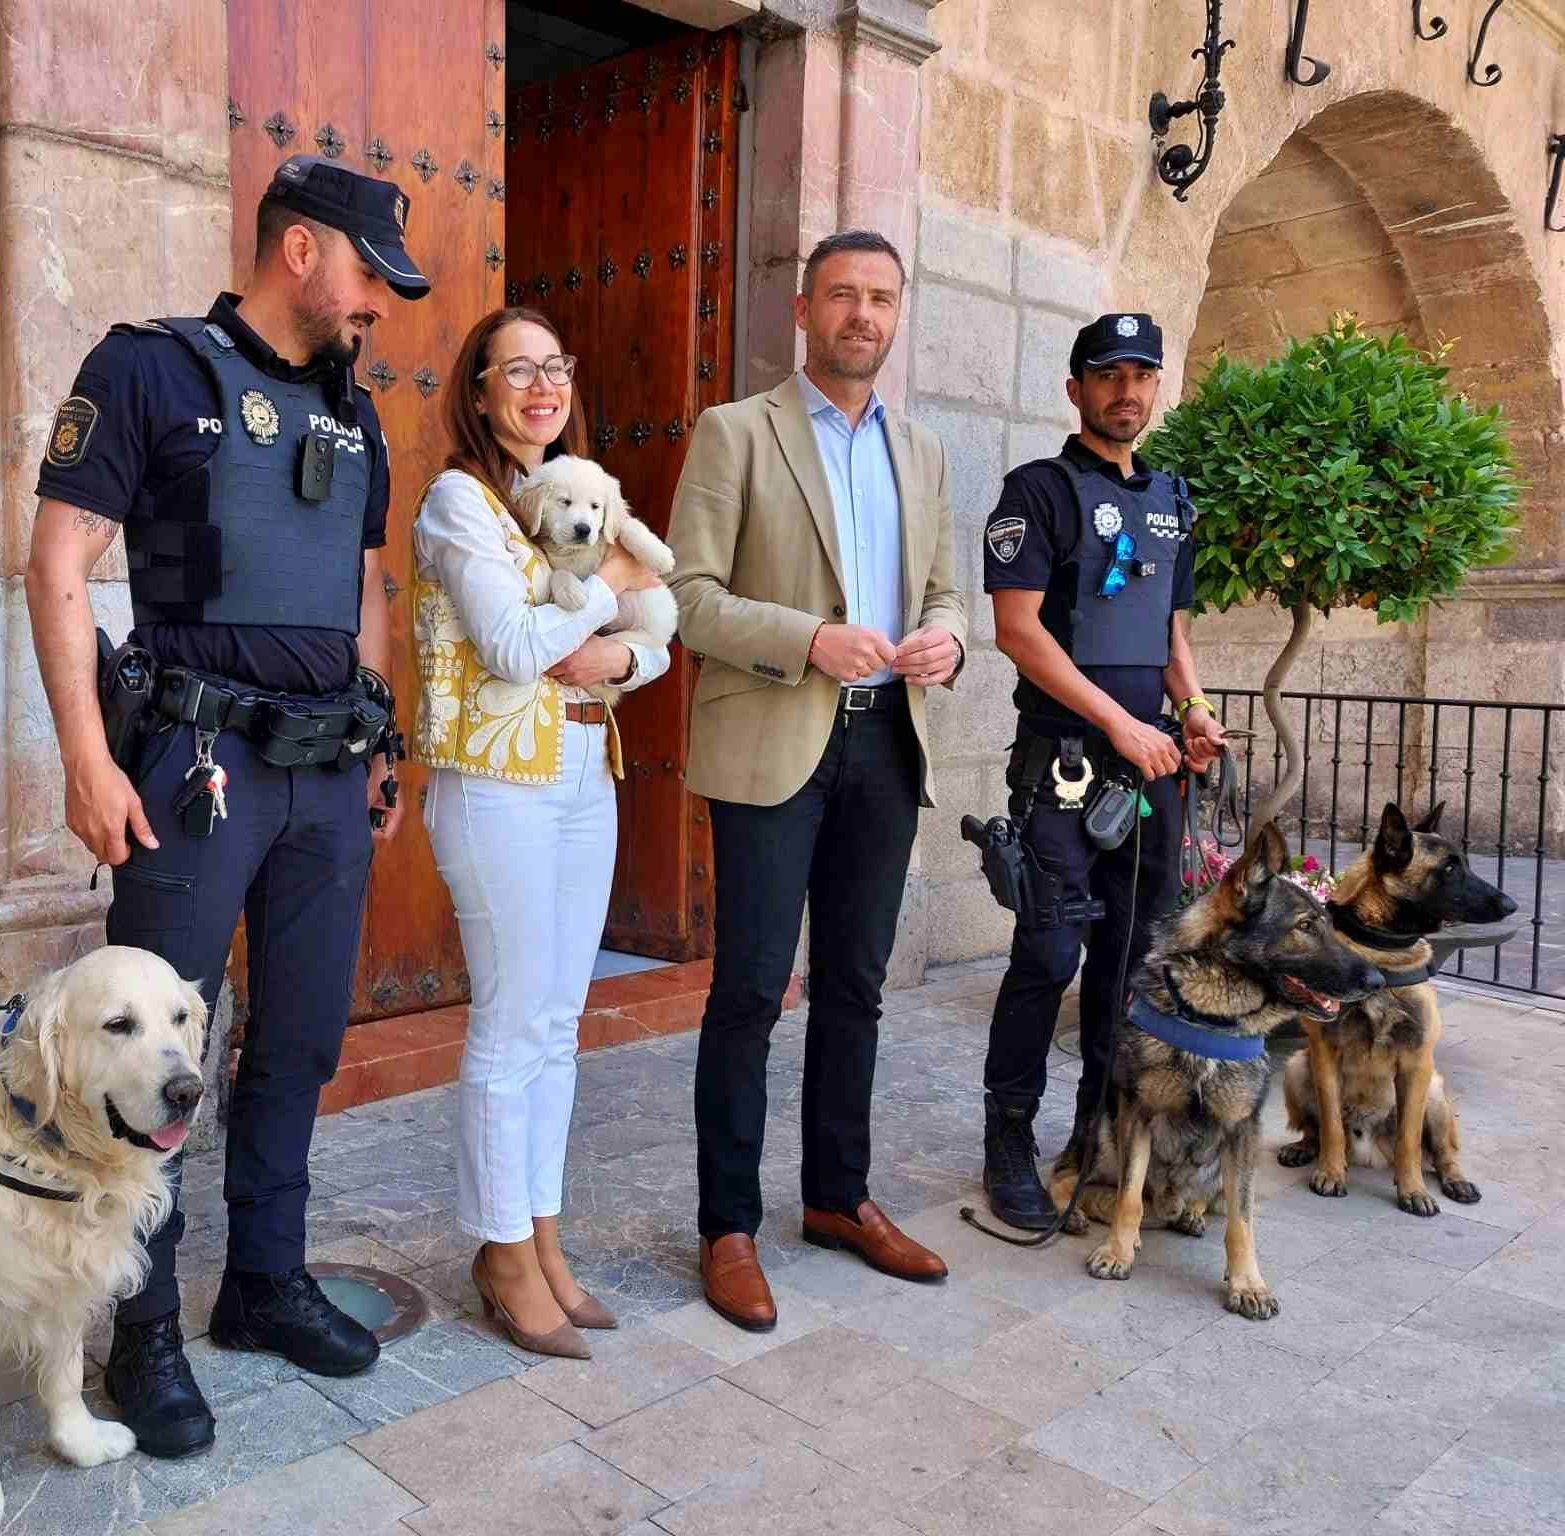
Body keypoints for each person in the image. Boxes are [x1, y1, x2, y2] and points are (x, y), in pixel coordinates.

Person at [25, 154, 425, 1459]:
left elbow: (364, 580)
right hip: (195, 767)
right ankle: (139, 1331)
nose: (379, 304)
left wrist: (376, 729)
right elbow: (55, 559)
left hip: (322, 775)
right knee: (150, 1058)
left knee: (299, 1039)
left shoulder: (350, 414)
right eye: (370, 273)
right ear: (300, 249)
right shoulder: (151, 368)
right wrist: (86, 757)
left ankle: (264, 1281)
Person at [667, 230, 967, 1334]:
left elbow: (945, 592)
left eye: (880, 297)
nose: (861, 315)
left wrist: (944, 641)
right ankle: (728, 1226)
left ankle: (838, 1199)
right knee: (748, 990)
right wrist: (808, 639)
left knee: (855, 985)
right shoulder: (736, 432)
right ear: (804, 311)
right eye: (842, 295)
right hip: (773, 743)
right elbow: (688, 598)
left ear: (896, 314)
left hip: (888, 743)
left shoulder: (924, 451)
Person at [411, 308, 668, 1359]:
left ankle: (543, 1236)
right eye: (514, 371)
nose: (538, 387)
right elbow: (515, 647)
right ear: (476, 391)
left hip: (580, 767)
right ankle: (499, 1250)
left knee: (559, 1023)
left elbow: (659, 622)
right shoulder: (459, 502)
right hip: (493, 781)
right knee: (511, 1022)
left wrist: (622, 661)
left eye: (553, 368)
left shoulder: (581, 487)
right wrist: (603, 592)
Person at [978, 312, 1229, 1231]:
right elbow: (1018, 631)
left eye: (1142, 376)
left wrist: (1194, 711)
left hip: (1149, 769)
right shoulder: (1036, 492)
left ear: (1157, 390)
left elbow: (1171, 630)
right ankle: (1008, 1138)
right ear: (1075, 388)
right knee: (1046, 954)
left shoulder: (1172, 495)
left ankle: (1093, 1140)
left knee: (1127, 963)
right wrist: (1125, 726)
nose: (1127, 390)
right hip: (1068, 768)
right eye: (1108, 374)